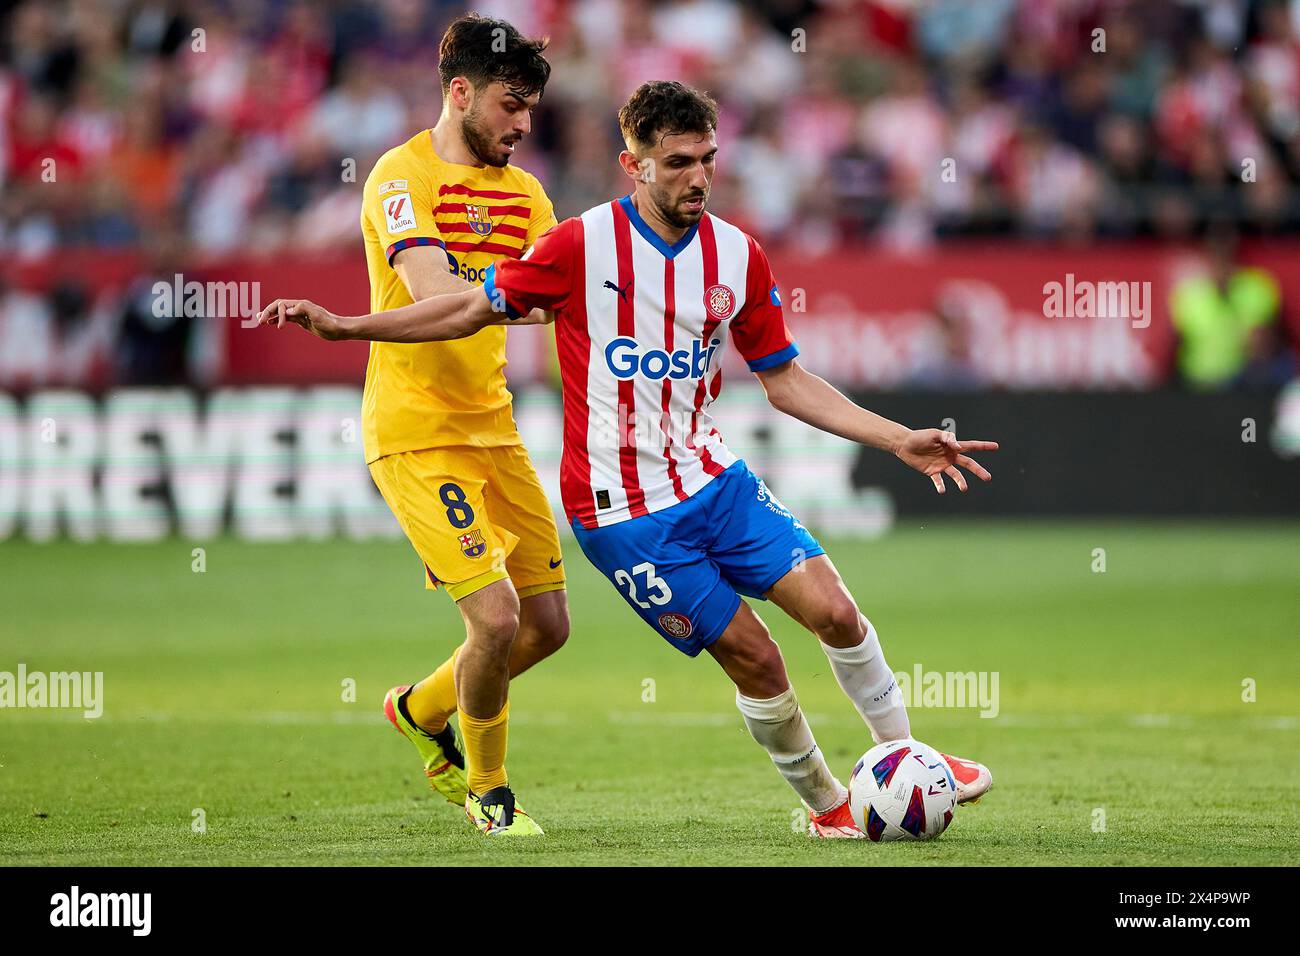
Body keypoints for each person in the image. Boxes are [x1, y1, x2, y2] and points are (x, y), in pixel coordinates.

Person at [260, 81, 997, 838]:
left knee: (838, 611)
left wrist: (896, 436)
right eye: (678, 162)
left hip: (715, 480)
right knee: (759, 660)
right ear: (634, 164)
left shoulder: (737, 257)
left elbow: (785, 380)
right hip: (626, 515)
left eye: (708, 159)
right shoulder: (581, 246)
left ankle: (905, 755)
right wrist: (350, 327)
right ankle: (828, 808)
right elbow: (468, 305)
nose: (698, 178)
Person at [359, 14, 571, 837]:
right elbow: (430, 292)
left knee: (548, 626)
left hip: (495, 427)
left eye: (531, 111)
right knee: (495, 618)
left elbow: (554, 295)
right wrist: (507, 289)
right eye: (511, 105)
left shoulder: (526, 194)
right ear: (460, 92)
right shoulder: (399, 176)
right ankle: (490, 792)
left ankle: (419, 708)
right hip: (415, 431)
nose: (522, 125)